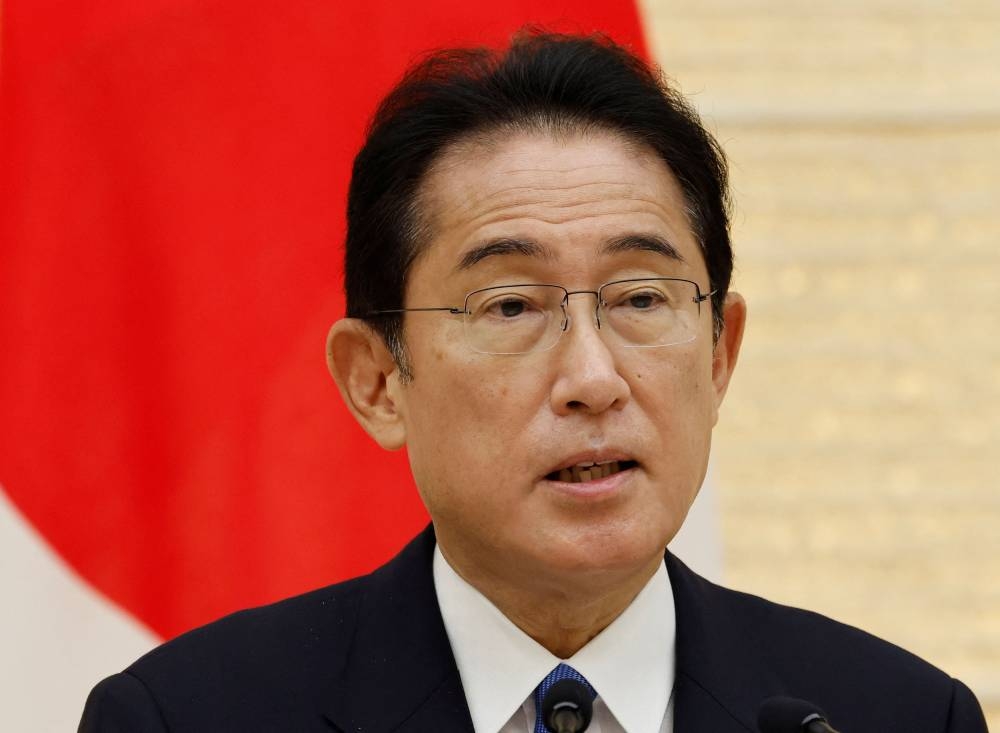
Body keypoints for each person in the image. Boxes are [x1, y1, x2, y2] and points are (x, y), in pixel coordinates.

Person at [79, 31, 987, 733]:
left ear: (718, 354)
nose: (593, 378)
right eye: (510, 306)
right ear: (378, 382)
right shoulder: (190, 715)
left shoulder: (893, 713)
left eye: (640, 296)